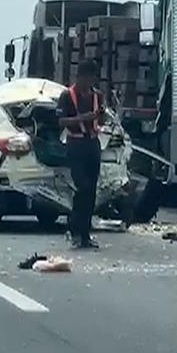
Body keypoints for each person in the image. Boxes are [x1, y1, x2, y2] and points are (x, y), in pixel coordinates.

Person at [57, 60, 104, 249]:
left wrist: (102, 116)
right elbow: (60, 121)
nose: (89, 82)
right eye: (87, 78)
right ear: (80, 77)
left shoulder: (98, 96)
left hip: (93, 143)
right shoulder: (67, 96)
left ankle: (85, 234)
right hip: (75, 143)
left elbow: (101, 118)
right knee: (82, 186)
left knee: (91, 190)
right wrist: (81, 118)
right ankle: (74, 228)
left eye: (93, 78)